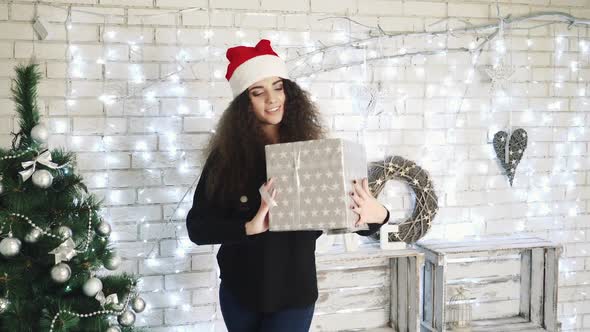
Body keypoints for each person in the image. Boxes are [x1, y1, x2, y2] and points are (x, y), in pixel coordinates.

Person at [186, 39, 390, 332]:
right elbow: (197, 227)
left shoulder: (315, 153)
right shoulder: (225, 159)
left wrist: (378, 214)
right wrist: (248, 226)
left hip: (294, 295)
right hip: (239, 293)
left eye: (278, 87)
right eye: (258, 92)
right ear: (245, 103)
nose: (272, 99)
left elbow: (350, 217)